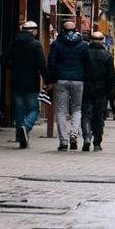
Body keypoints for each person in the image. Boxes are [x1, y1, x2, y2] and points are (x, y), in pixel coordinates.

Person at [2, 20, 47, 148]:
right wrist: (48, 80)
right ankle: (26, 127)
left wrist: (12, 67)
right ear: (34, 31)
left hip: (16, 80)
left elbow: (4, 60)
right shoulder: (36, 44)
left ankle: (19, 135)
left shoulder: (14, 43)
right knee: (34, 109)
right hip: (31, 81)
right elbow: (41, 64)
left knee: (19, 109)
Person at [47, 19, 88, 150]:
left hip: (61, 80)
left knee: (61, 110)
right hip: (78, 80)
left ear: (62, 30)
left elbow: (51, 63)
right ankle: (74, 134)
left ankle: (63, 141)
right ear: (76, 30)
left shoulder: (56, 44)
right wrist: (85, 78)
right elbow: (87, 64)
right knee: (77, 109)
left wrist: (52, 79)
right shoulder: (83, 45)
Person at [81, 31, 115, 151]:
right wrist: (109, 91)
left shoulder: (84, 54)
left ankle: (86, 137)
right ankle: (97, 143)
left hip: (86, 88)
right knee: (99, 116)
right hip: (101, 90)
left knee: (86, 114)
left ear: (91, 40)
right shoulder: (107, 56)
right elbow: (112, 76)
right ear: (102, 41)